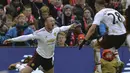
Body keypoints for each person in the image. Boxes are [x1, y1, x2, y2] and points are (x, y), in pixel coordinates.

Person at [3, 16, 77, 73]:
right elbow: (26, 37)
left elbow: (62, 28)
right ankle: (18, 65)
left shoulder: (55, 30)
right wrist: (11, 40)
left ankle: (40, 67)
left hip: (49, 58)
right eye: (51, 21)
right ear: (46, 23)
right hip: (39, 56)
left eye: (53, 21)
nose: (53, 22)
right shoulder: (40, 33)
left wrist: (70, 26)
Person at [79, 0, 126, 73]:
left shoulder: (100, 13)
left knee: (95, 45)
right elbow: (124, 21)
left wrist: (84, 40)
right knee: (111, 46)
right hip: (123, 35)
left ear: (96, 6)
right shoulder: (113, 10)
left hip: (113, 35)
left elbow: (92, 29)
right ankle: (119, 61)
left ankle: (99, 69)